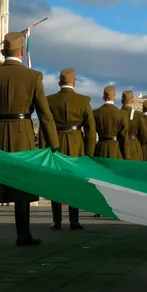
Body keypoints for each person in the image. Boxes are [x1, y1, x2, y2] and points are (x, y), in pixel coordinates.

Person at [0, 32, 58, 247]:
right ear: (22, 52)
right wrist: (54, 145)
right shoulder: (33, 77)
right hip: (23, 133)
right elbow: (44, 114)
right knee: (22, 186)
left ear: (3, 52)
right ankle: (23, 235)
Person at [46, 68, 96, 229]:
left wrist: (43, 149)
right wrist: (89, 153)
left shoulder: (50, 100)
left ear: (59, 82)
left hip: (56, 143)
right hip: (76, 144)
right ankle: (74, 220)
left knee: (55, 182)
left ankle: (57, 221)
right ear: (74, 82)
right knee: (75, 182)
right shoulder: (83, 101)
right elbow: (90, 129)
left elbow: (44, 125)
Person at [93, 85, 129, 159]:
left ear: (103, 97)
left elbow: (91, 134)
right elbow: (124, 138)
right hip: (115, 150)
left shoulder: (95, 113)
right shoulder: (122, 114)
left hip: (100, 148)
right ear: (114, 97)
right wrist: (127, 157)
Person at [120, 90, 145, 161]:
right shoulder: (138, 115)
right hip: (134, 145)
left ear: (122, 101)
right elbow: (144, 134)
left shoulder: (116, 113)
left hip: (119, 146)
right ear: (132, 101)